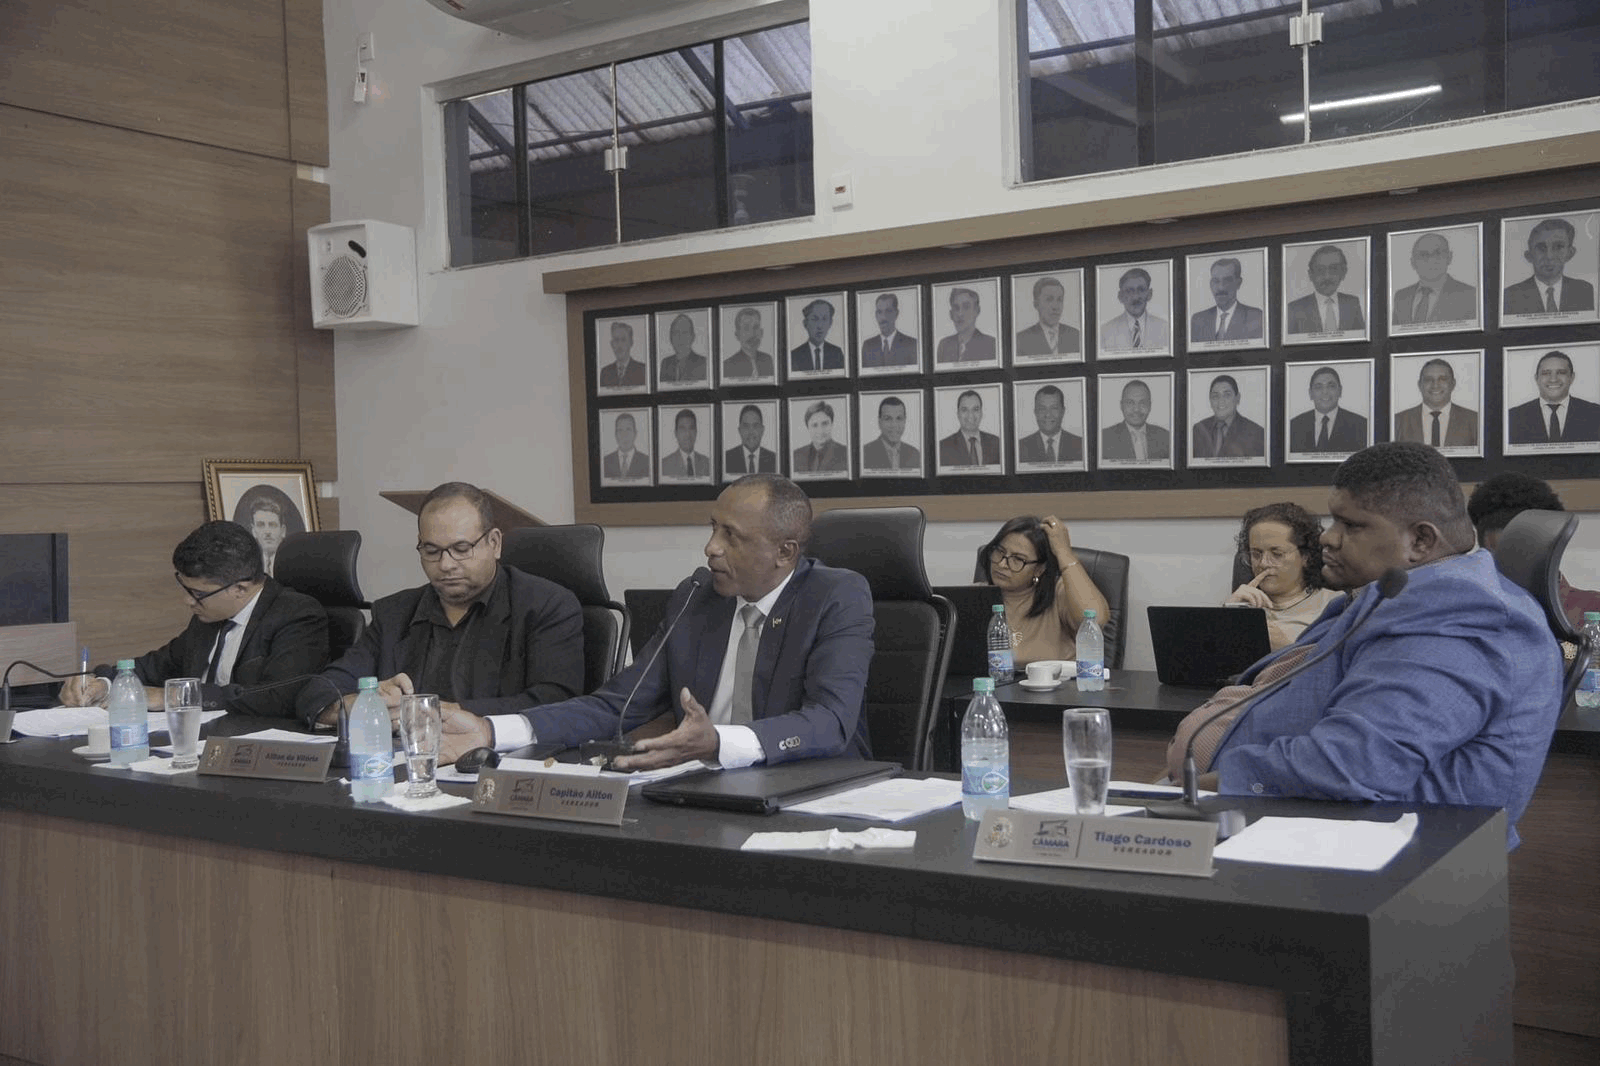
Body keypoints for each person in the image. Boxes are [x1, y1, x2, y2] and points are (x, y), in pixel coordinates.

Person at [1169, 442, 1561, 850]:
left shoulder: (1459, 614)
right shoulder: (1400, 591)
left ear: (1421, 540)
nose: (1327, 537)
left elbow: (1351, 763)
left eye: (1351, 525)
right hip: (1267, 815)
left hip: (1342, 845)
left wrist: (1205, 788)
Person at [436, 475, 875, 770]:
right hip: (706, 790)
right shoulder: (697, 598)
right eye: (713, 528)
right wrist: (491, 729)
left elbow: (830, 721)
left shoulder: (836, 597)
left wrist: (720, 742)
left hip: (813, 789)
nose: (711, 547)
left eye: (731, 536)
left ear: (785, 552)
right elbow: (615, 705)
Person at [295, 482, 583, 728]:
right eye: (431, 551)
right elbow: (317, 693)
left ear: (494, 544)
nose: (446, 564)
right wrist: (362, 705)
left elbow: (557, 701)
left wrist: (433, 712)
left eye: (461, 549)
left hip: (500, 762)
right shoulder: (394, 614)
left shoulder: (546, 606)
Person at [59, 521, 328, 718]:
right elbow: (155, 666)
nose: (187, 601)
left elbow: (277, 697)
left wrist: (175, 697)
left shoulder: (298, 616)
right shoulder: (209, 617)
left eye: (198, 593)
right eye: (185, 588)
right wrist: (102, 683)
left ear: (240, 588)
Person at [1467, 472, 1600, 629]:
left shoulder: (1592, 610)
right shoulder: (1470, 612)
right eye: (1489, 557)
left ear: (1551, 547)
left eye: (1515, 556)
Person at [975, 516, 1109, 667]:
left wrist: (1064, 553)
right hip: (993, 682)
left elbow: (1095, 620)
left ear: (1039, 569)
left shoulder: (1059, 593)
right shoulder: (974, 597)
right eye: (999, 551)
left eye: (1017, 559)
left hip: (1058, 682)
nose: (1002, 564)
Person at [1225, 503, 1343, 650]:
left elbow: (1340, 661)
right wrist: (1226, 617)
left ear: (1306, 556)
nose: (1263, 563)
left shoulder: (1335, 605)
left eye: (1277, 554)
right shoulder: (1242, 605)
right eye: (1256, 554)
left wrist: (1286, 649)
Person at [1504, 218, 1595, 315]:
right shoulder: (1511, 295)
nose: (1549, 256)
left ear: (1570, 253)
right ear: (1529, 256)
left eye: (1558, 247)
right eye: (1541, 248)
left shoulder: (1584, 290)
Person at [1507, 350, 1600, 445]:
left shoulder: (1596, 414)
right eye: (1546, 373)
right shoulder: (1512, 417)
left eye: (1561, 372)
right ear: (1536, 378)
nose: (1553, 379)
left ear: (1572, 377)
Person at [1392, 232, 1477, 325]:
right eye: (1423, 255)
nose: (1431, 260)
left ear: (1449, 257)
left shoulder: (1470, 295)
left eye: (1438, 253)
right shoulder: (1401, 297)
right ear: (1413, 262)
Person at [1393, 358, 1478, 448]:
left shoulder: (1474, 421)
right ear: (1419, 385)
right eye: (1428, 379)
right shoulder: (1398, 421)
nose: (1435, 385)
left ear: (1453, 384)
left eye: (1442, 379)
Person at [1285, 245, 1366, 334]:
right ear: (1310, 275)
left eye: (1334, 269)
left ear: (1343, 273)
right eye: (1320, 270)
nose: (1327, 277)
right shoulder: (1295, 308)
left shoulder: (1352, 303)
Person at [1288, 366, 1368, 453]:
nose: (1325, 392)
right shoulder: (1293, 426)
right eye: (1318, 387)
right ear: (1310, 393)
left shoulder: (1361, 425)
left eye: (1331, 386)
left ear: (1340, 391)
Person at [1189, 258, 1263, 343]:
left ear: (1238, 283)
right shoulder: (1198, 320)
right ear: (1210, 284)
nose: (1221, 287)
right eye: (1216, 281)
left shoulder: (1256, 317)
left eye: (1227, 281)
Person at [1191, 374, 1265, 459]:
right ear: (1210, 400)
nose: (1221, 401)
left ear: (1237, 398)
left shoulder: (1256, 433)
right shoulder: (1198, 430)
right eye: (1215, 396)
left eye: (1227, 395)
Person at [1100, 268, 1169, 351]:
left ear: (1149, 294)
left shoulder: (1165, 329)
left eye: (1141, 290)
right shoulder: (1105, 332)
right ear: (1120, 296)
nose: (1135, 297)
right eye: (1129, 291)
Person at [1100, 379, 1170, 461]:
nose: (1136, 409)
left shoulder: (1166, 437)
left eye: (1142, 403)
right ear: (1121, 406)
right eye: (1130, 403)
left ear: (1150, 406)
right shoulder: (1103, 439)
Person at [1015, 276, 1080, 357]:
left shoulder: (1076, 336)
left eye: (1059, 300)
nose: (1055, 307)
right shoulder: (1021, 340)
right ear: (1036, 304)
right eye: (1049, 299)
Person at [1016, 385, 1083, 464]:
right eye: (1042, 409)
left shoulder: (1081, 445)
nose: (1048, 414)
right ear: (1035, 412)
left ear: (1063, 411)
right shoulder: (1020, 447)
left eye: (1054, 408)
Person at [937, 389, 1001, 466]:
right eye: (964, 410)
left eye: (975, 409)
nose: (970, 415)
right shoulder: (942, 447)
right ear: (958, 414)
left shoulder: (997, 443)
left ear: (981, 413)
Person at [934, 287, 997, 364]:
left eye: (966, 307)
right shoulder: (944, 345)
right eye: (956, 308)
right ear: (951, 314)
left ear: (977, 311)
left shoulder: (991, 345)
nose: (960, 314)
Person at [861, 395, 921, 472]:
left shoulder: (915, 454)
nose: (894, 425)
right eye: (888, 419)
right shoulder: (864, 453)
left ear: (904, 421)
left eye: (899, 418)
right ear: (879, 422)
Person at [860, 293, 918, 367]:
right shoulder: (868, 346)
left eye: (888, 311)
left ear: (896, 314)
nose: (883, 317)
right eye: (879, 312)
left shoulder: (911, 345)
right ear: (876, 315)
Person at [791, 400, 848, 473]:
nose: (820, 431)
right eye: (814, 425)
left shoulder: (846, 454)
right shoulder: (795, 456)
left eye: (825, 424)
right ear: (808, 427)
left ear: (832, 424)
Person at [789, 299, 844, 372]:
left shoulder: (837, 353)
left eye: (824, 319)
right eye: (815, 319)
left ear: (830, 323)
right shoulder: (794, 355)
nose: (820, 326)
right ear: (805, 323)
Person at [722, 307, 775, 381]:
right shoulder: (728, 365)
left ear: (761, 332)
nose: (752, 334)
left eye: (756, 327)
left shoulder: (767, 360)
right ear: (737, 334)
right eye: (746, 328)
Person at [724, 404, 777, 475]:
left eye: (755, 426)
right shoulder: (726, 459)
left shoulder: (775, 459)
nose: (751, 432)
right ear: (739, 430)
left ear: (762, 430)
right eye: (746, 426)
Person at [657, 313, 708, 386]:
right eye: (676, 333)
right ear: (670, 337)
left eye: (684, 333)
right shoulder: (665, 364)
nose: (680, 338)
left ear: (692, 337)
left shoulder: (702, 363)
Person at [660, 409, 712, 478]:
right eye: (682, 429)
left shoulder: (708, 463)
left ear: (696, 432)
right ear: (676, 433)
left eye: (691, 428)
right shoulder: (664, 466)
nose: (687, 434)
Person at [601, 413, 650, 480]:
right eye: (620, 430)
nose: (624, 435)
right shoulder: (605, 462)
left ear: (635, 433)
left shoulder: (647, 461)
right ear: (615, 435)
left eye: (628, 429)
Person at [245, 496, 286, 576]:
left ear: (283, 531)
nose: (267, 532)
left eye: (272, 525)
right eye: (261, 525)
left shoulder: (293, 565)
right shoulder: (248, 568)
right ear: (254, 531)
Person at [598, 321, 646, 388]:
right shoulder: (605, 373)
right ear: (612, 344)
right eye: (616, 340)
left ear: (631, 343)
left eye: (623, 340)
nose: (619, 345)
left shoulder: (642, 370)